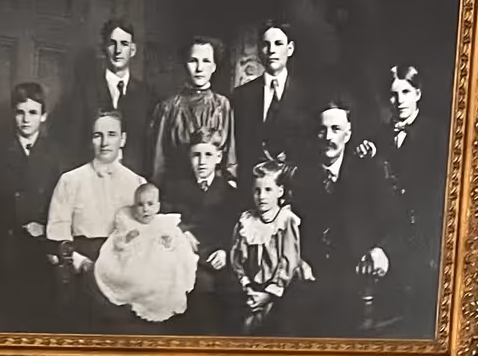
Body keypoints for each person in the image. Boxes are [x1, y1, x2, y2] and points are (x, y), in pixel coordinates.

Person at [293, 95, 396, 335]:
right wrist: (297, 259)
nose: (328, 138)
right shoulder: (302, 177)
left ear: (347, 134)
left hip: (357, 276)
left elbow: (395, 224)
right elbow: (293, 227)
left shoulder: (370, 173)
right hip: (312, 276)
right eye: (322, 130)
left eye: (335, 129)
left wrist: (381, 250)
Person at [367, 61, 444, 337]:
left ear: (418, 94)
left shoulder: (437, 135)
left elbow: (437, 191)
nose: (399, 100)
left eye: (406, 92)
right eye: (393, 94)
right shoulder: (378, 136)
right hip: (389, 235)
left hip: (424, 236)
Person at [0, 80, 59, 331]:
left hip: (41, 254)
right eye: (20, 112)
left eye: (33, 113)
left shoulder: (55, 158)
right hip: (5, 254)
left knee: (38, 322)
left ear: (43, 117)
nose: (26, 119)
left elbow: (63, 207)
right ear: (13, 115)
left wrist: (45, 227)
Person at [46, 112, 145, 304]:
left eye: (111, 134)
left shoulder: (137, 183)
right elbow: (58, 235)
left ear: (122, 139)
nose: (105, 142)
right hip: (84, 265)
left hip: (124, 266)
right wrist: (81, 263)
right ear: (91, 140)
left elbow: (143, 236)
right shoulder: (70, 180)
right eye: (97, 135)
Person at [94, 181, 198, 324]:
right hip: (134, 261)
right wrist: (127, 239)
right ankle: (140, 298)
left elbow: (175, 245)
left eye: (150, 204)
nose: (145, 209)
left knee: (169, 272)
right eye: (140, 205)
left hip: (158, 260)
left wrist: (168, 242)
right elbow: (116, 243)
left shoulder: (162, 223)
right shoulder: (128, 222)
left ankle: (162, 302)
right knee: (137, 278)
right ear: (134, 206)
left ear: (158, 206)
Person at [64, 17, 155, 176]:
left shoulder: (146, 96)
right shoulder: (84, 92)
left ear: (133, 50)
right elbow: (72, 143)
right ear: (104, 48)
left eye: (124, 44)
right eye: (113, 43)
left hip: (132, 184)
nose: (118, 50)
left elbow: (148, 149)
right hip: (92, 180)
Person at [166, 132, 237, 331]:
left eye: (208, 155)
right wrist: (181, 232)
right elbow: (164, 219)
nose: (202, 161)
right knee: (198, 289)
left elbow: (235, 228)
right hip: (185, 257)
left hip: (218, 257)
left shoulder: (230, 193)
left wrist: (225, 251)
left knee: (230, 291)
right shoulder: (175, 189)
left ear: (219, 158)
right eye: (196, 155)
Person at [147, 36, 237, 190]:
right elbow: (158, 163)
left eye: (206, 61)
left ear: (214, 66)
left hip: (213, 194)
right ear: (185, 64)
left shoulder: (222, 105)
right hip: (176, 193)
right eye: (193, 61)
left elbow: (230, 159)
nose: (199, 68)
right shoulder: (168, 108)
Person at [229, 21, 316, 177]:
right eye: (265, 44)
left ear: (290, 49)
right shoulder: (242, 95)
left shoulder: (308, 95)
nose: (271, 50)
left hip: (294, 183)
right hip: (253, 186)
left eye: (278, 44)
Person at [228, 156, 304, 332]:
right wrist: (247, 286)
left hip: (278, 289)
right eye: (257, 190)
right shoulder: (246, 221)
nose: (261, 196)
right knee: (244, 328)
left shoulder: (285, 221)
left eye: (268, 190)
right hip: (250, 288)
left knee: (278, 327)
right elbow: (236, 257)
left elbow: (288, 260)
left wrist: (269, 294)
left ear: (280, 191)